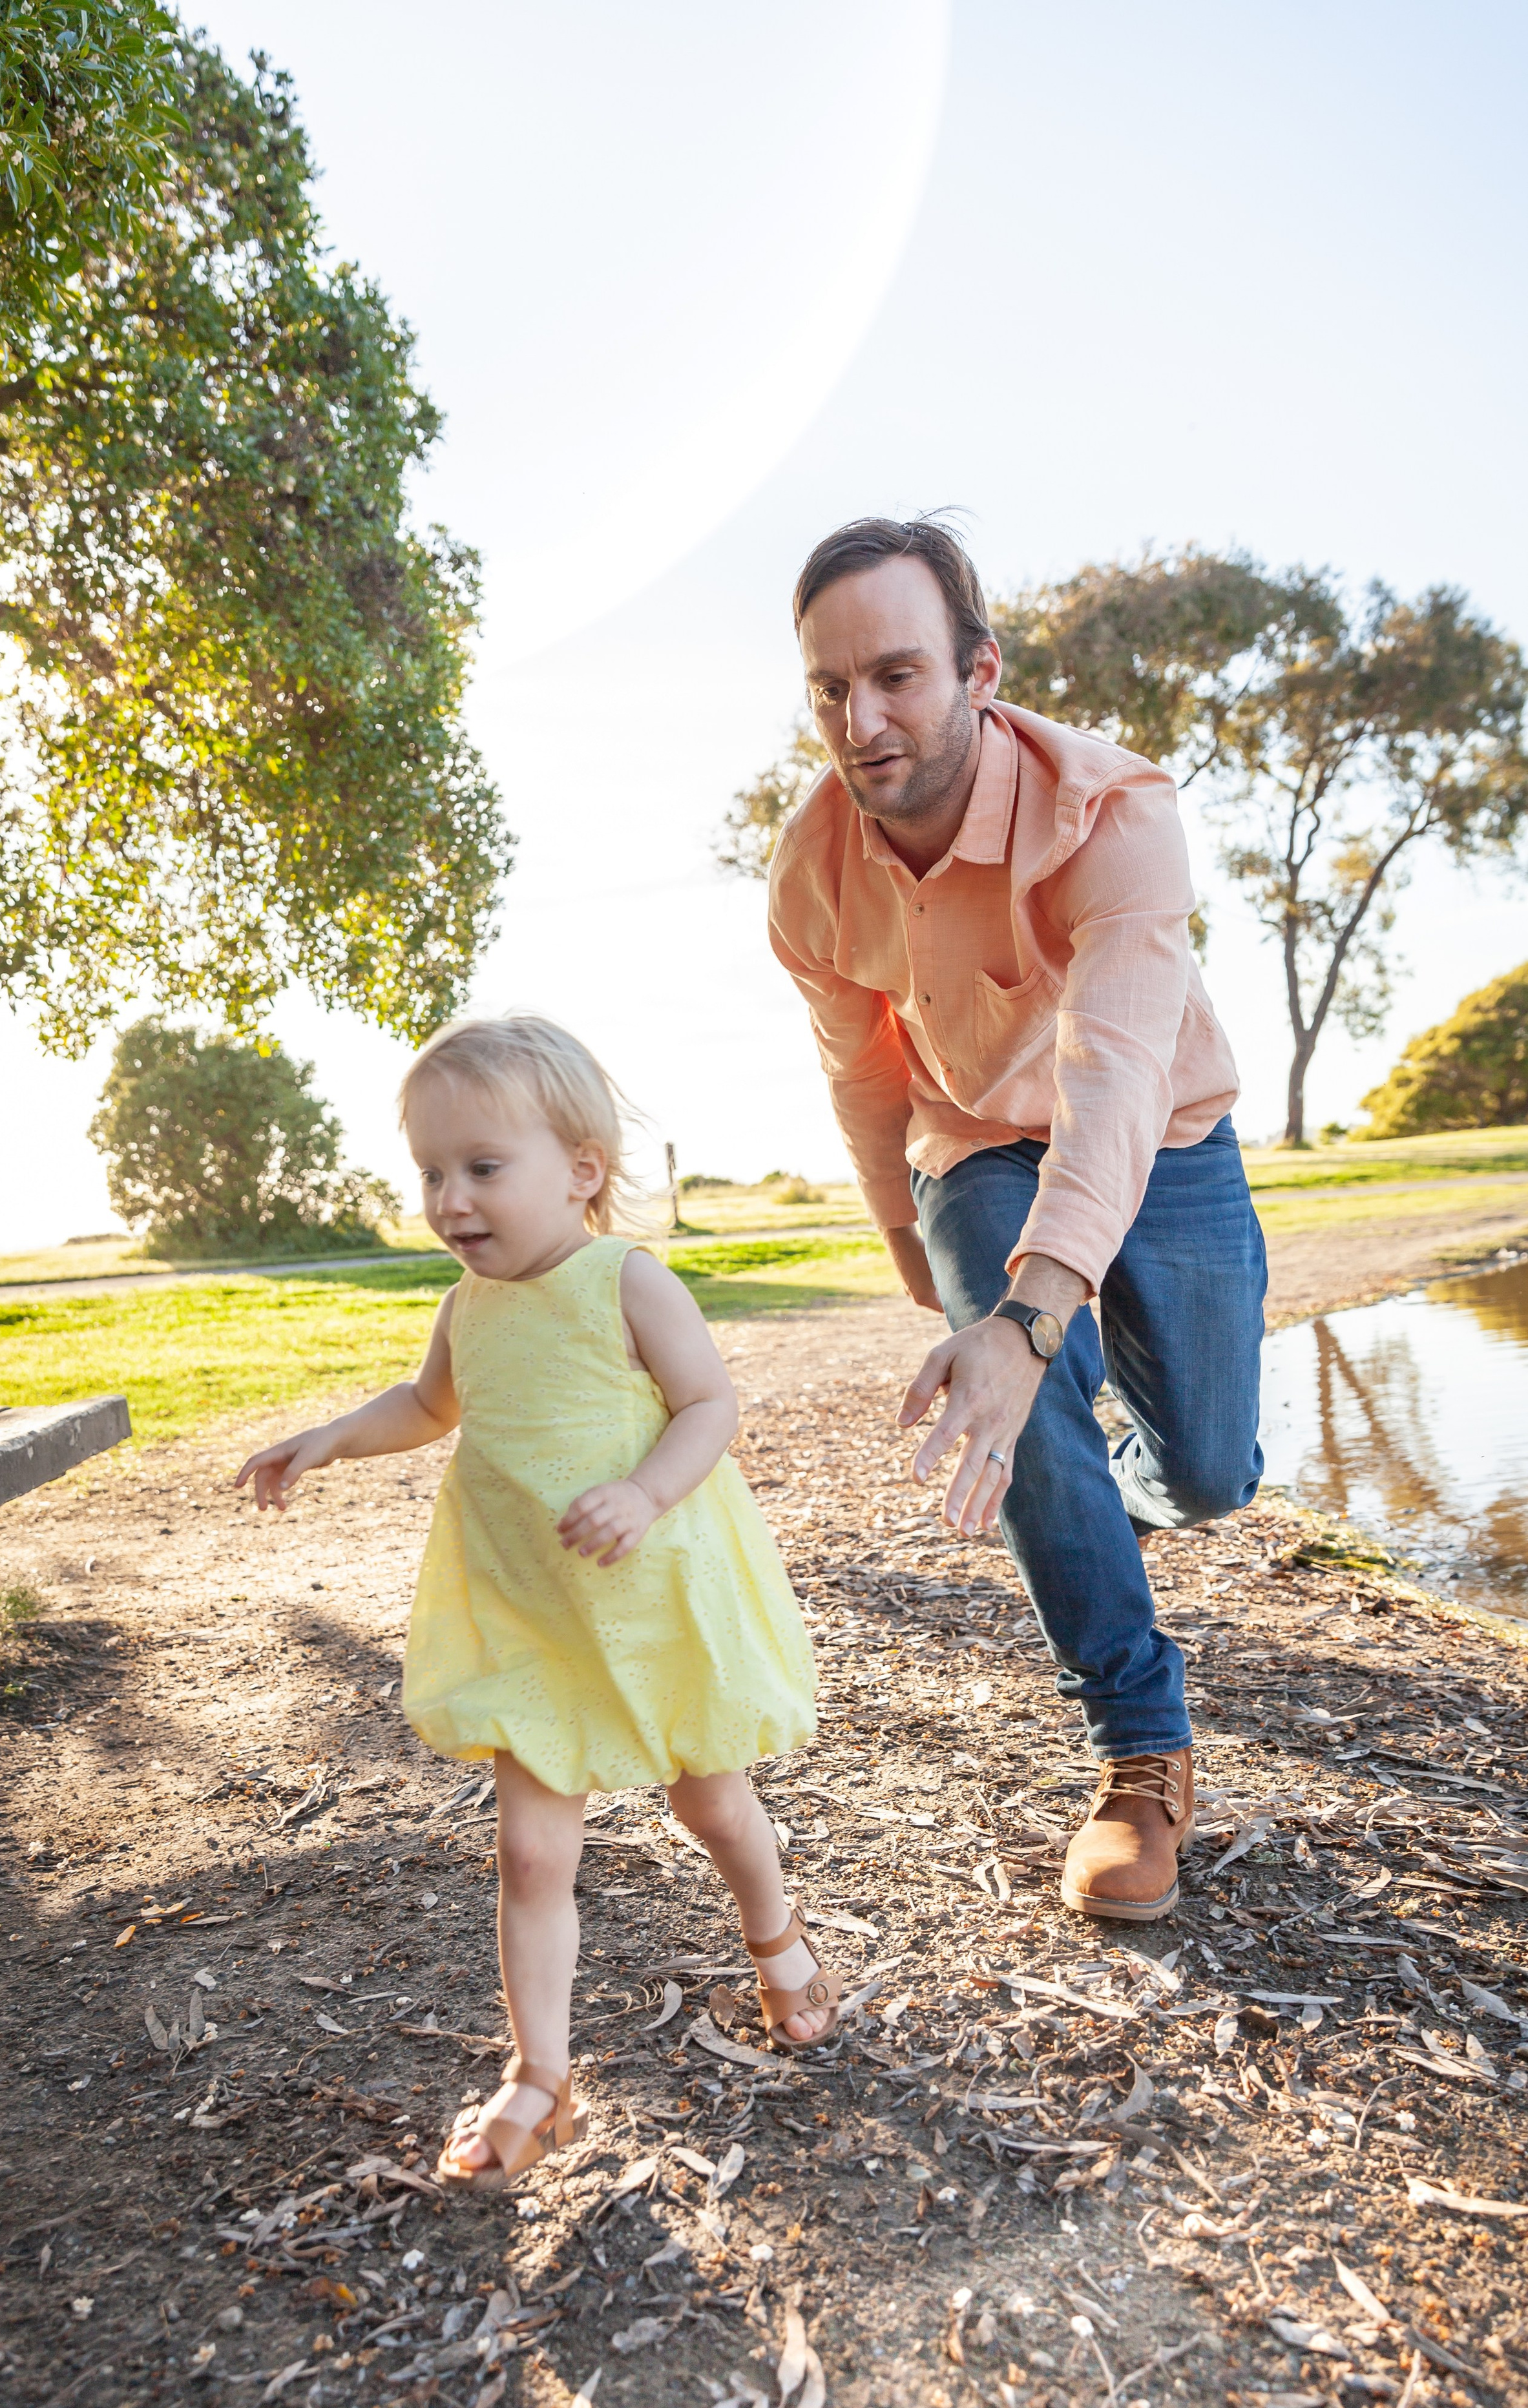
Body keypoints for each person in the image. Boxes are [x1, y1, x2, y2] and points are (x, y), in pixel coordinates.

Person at [235, 1014, 841, 2192]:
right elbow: (426, 1408)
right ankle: (541, 2074)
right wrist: (327, 1441)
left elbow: (710, 1407)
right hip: (532, 1621)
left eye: (482, 1168)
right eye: (430, 1172)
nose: (450, 1199)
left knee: (713, 1809)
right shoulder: (469, 1306)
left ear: (581, 1172)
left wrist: (644, 1489)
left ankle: (778, 1941)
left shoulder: (628, 1281)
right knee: (527, 1856)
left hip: (652, 1607)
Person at [768, 516, 1268, 1925]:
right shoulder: (809, 874)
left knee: (1213, 1475)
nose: (858, 722)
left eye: (895, 676)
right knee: (1012, 1362)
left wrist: (1034, 1315)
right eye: (826, 688)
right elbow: (862, 1077)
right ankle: (1136, 1754)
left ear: (977, 670)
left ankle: (1102, 1476)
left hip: (1159, 1132)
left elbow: (1111, 1076)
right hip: (974, 1143)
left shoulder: (1114, 815)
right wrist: (933, 1278)